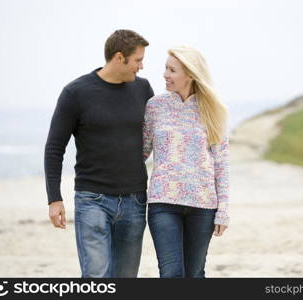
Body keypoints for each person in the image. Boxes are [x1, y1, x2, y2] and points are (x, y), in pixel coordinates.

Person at [44, 30, 154, 278]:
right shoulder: (75, 93)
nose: (142, 66)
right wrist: (54, 198)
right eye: (138, 60)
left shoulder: (143, 89)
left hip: (135, 199)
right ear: (119, 57)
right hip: (92, 199)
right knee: (96, 278)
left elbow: (157, 136)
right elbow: (54, 148)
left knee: (125, 278)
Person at [143, 45, 229, 278]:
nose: (165, 74)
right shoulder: (155, 106)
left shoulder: (212, 109)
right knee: (170, 274)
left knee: (195, 273)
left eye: (172, 70)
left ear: (190, 74)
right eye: (165, 68)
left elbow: (221, 163)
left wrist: (223, 210)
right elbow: (141, 152)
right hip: (163, 202)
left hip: (203, 204)